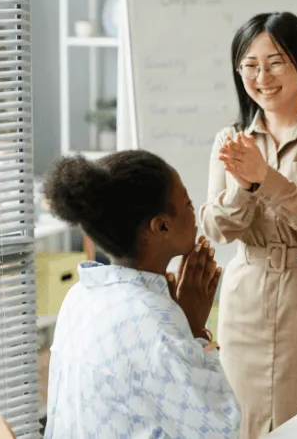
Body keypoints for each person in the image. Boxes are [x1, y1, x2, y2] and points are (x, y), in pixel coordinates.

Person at [198, 12, 297, 435]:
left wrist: (268, 179)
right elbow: (215, 228)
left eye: (275, 62)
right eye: (250, 65)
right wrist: (244, 187)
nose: (261, 76)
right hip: (246, 298)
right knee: (244, 421)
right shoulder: (231, 139)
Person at [43, 151, 240, 438]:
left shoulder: (80, 296)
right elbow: (223, 429)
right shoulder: (155, 320)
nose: (193, 211)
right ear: (162, 225)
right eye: (187, 203)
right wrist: (195, 331)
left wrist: (179, 322)